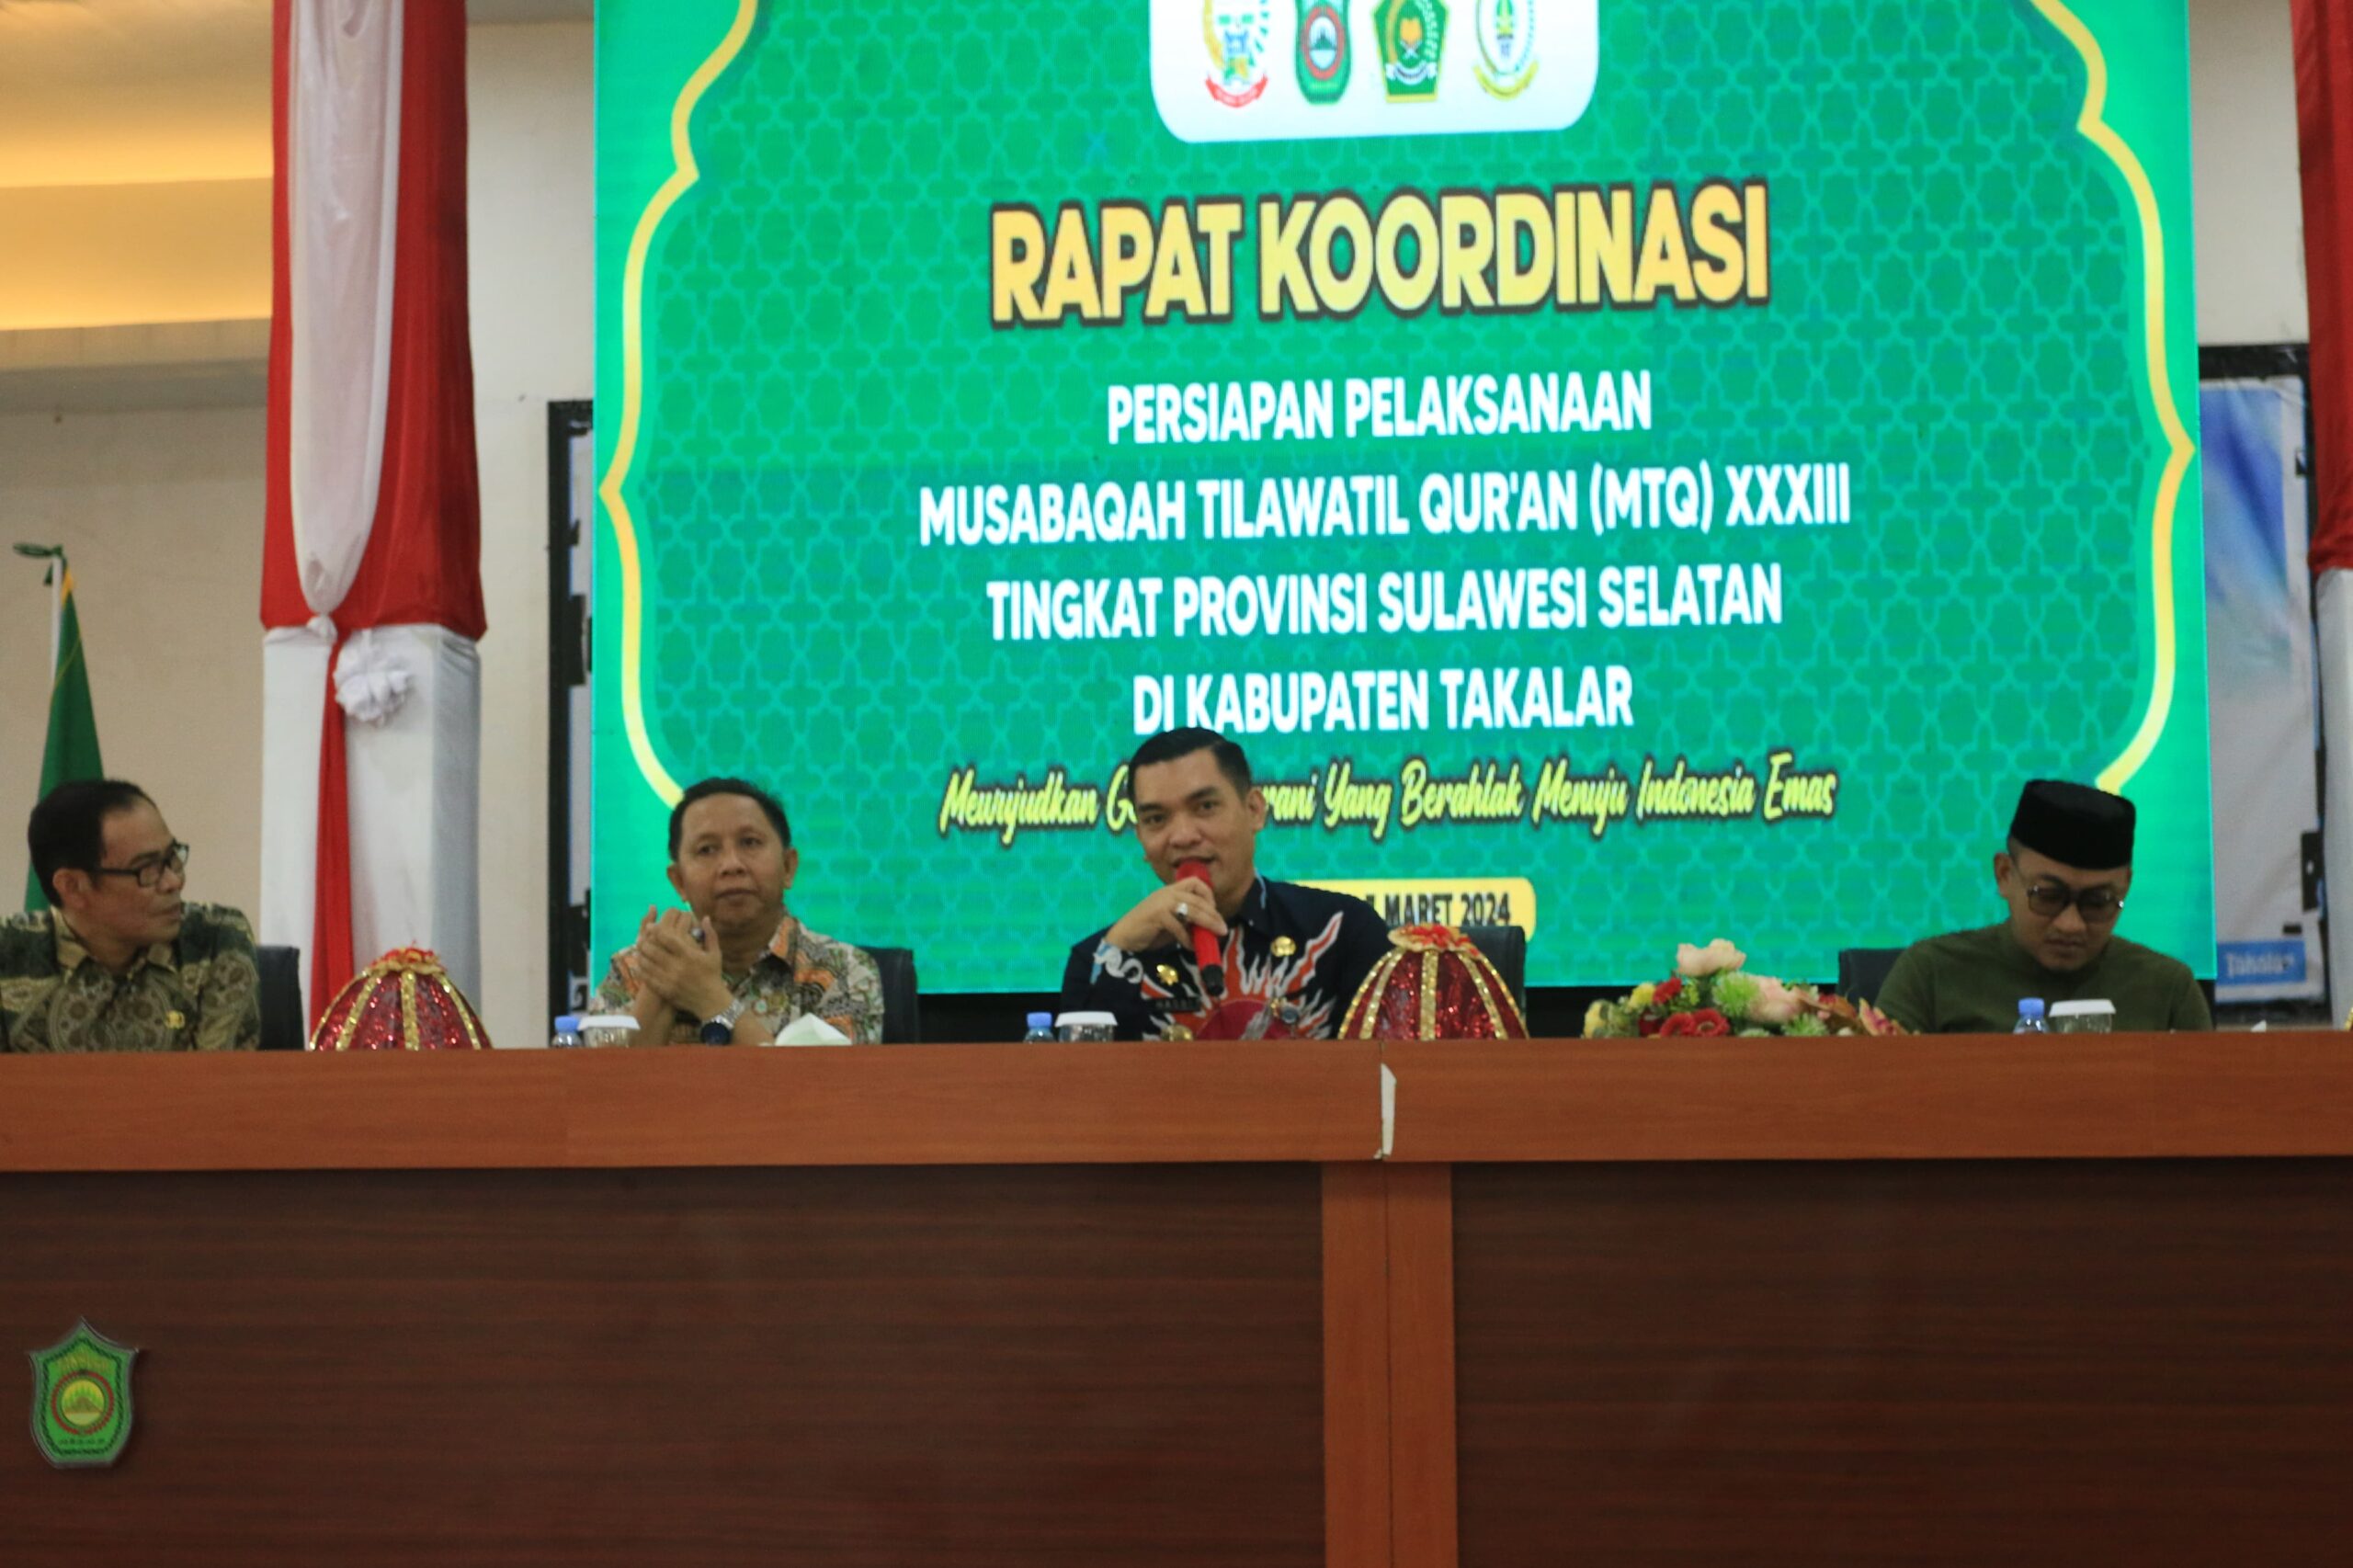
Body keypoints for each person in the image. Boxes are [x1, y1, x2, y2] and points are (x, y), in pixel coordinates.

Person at [1060, 728, 1392, 1040]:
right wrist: (1115, 953)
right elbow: (1077, 1077)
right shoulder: (1100, 957)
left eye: (1205, 807)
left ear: (1254, 810)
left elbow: (1388, 1069)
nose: (1183, 836)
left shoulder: (1343, 931)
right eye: (1156, 819)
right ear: (1141, 838)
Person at [1875, 778, 2211, 1034]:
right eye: (2048, 897)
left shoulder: (2168, 991)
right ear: (2005, 875)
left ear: (2125, 886)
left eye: (2098, 903)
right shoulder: (1931, 976)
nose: (2071, 924)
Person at [592, 777, 882, 1044]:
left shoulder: (842, 970)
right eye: (707, 849)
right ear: (679, 881)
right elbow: (604, 1082)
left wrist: (710, 998)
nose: (732, 865)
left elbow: (828, 1083)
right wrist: (661, 982)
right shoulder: (633, 970)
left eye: (749, 843)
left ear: (788, 867)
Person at [0, 778, 259, 1052]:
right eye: (147, 869)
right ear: (73, 887)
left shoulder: (216, 940)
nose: (174, 882)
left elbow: (220, 1077)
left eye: (172, 857)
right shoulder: (7, 954)